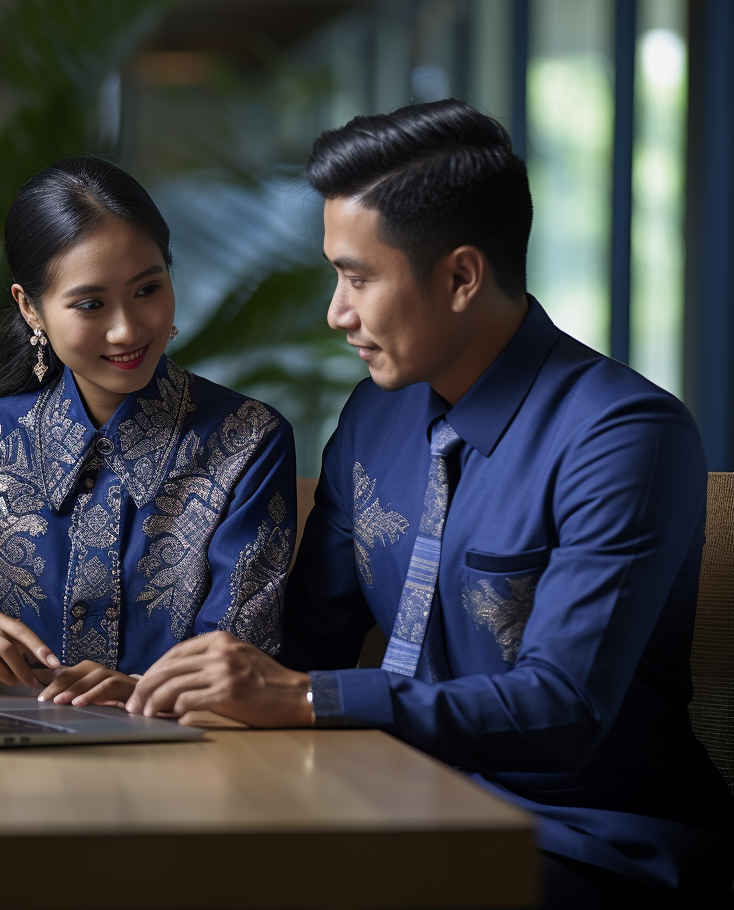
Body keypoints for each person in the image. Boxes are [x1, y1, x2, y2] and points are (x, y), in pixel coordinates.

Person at [126, 101, 734, 906]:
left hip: (585, 840)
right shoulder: (377, 414)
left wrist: (306, 700)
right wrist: (150, 686)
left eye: (357, 277)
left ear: (459, 276)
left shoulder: (625, 436)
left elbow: (564, 705)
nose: (336, 313)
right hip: (385, 802)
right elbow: (309, 635)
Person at [0, 156, 296, 709]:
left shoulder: (247, 440)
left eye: (147, 290)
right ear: (30, 308)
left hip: (189, 762)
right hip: (9, 763)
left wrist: (141, 691)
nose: (127, 329)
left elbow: (244, 655)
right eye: (90, 304)